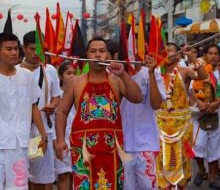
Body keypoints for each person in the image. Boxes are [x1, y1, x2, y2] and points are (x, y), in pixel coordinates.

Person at [55, 37, 143, 189]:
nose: (97, 55)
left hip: (112, 147)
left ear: (108, 55)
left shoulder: (117, 80)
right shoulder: (75, 82)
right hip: (83, 148)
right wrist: (60, 140)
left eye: (102, 51)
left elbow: (137, 98)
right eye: (93, 51)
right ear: (87, 54)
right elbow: (62, 112)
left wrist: (123, 74)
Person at [0, 33, 48, 190]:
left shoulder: (27, 77)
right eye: (9, 49)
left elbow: (34, 107)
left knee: (18, 186)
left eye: (16, 49)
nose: (14, 53)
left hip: (20, 143)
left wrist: (44, 136)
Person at [156, 42, 207, 189]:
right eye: (164, 51)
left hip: (181, 123)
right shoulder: (157, 72)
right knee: (161, 158)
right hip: (161, 122)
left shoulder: (184, 71)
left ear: (178, 55)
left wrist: (192, 57)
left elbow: (202, 76)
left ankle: (180, 185)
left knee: (181, 157)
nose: (166, 53)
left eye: (170, 50)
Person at [18, 31, 61, 190]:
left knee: (43, 178)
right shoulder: (15, 71)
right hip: (20, 131)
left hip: (43, 131)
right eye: (32, 49)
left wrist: (53, 106)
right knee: (20, 176)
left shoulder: (50, 70)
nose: (37, 53)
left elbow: (56, 96)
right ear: (24, 48)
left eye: (40, 50)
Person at [121, 55, 166, 190]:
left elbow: (156, 104)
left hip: (146, 143)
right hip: (122, 144)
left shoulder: (151, 72)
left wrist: (151, 74)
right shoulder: (113, 74)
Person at [190, 44, 220, 190]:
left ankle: (213, 178)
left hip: (217, 116)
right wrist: (200, 103)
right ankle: (202, 170)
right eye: (210, 53)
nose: (213, 56)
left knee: (215, 149)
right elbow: (192, 91)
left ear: (219, 56)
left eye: (216, 54)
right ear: (205, 55)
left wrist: (215, 105)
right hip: (200, 116)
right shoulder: (197, 73)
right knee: (198, 145)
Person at [55, 60, 77, 190]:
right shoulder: (56, 94)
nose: (72, 76)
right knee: (63, 175)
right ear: (61, 76)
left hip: (77, 139)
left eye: (74, 73)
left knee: (77, 174)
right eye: (68, 73)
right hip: (62, 139)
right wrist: (57, 139)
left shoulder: (80, 91)